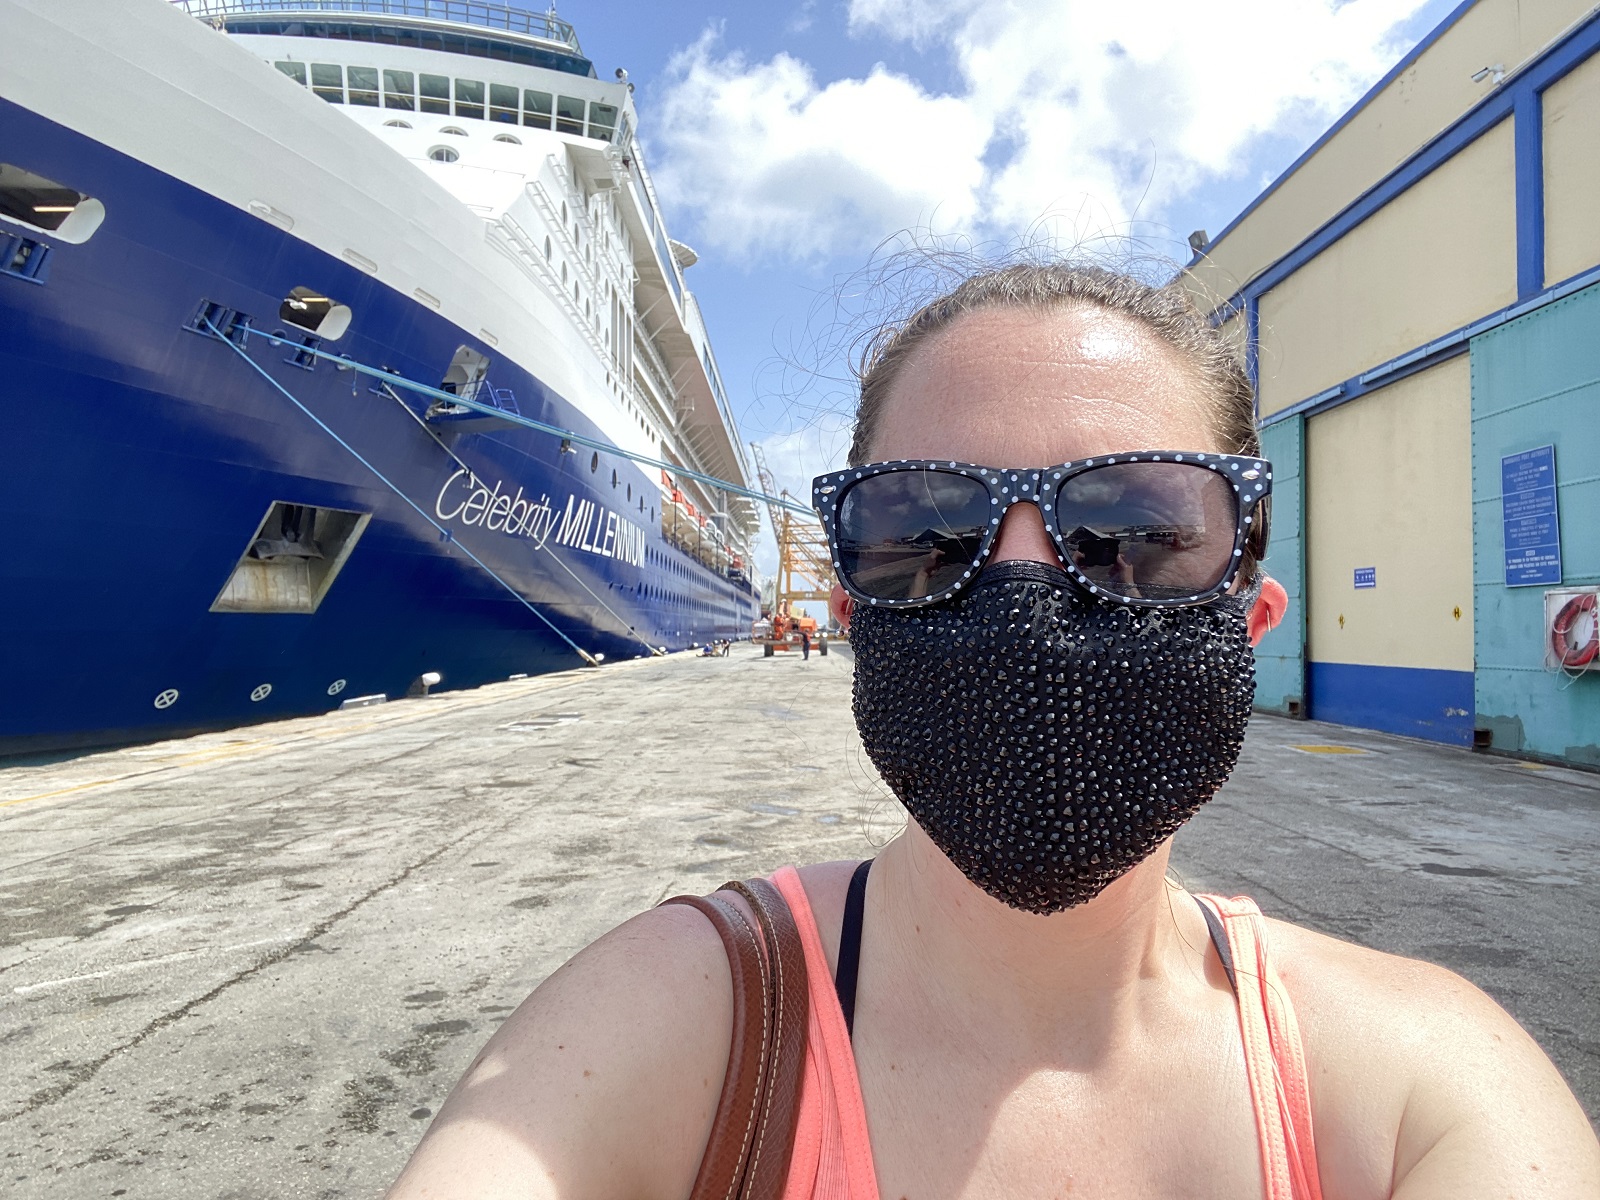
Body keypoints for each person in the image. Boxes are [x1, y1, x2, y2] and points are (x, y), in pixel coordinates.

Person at [387, 262, 1600, 1199]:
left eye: (1134, 527)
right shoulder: (671, 1024)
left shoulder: (1422, 1085)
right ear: (852, 611)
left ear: (1252, 616)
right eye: (924, 528)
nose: (1026, 591)